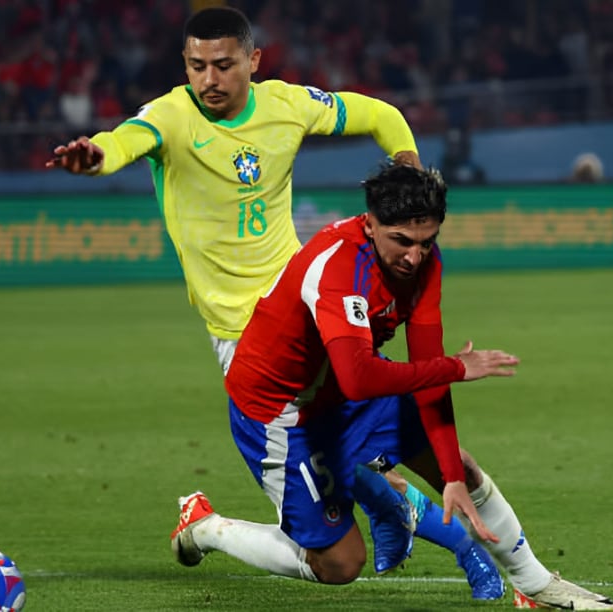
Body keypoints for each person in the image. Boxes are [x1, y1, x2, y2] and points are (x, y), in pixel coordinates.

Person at [46, 6, 503, 598]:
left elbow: (381, 115)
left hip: (305, 309)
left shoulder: (287, 104)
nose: (209, 78)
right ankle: (397, 520)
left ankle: (448, 539)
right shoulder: (170, 116)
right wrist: (96, 159)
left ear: (253, 61)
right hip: (244, 337)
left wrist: (408, 170)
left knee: (363, 431)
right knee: (336, 466)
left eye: (223, 64)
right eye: (196, 66)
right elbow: (124, 141)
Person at [172, 163, 613, 611]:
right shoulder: (338, 267)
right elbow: (361, 378)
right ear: (370, 224)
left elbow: (426, 372)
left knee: (463, 468)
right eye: (402, 241)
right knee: (340, 564)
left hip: (345, 388)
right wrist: (454, 368)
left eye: (426, 241)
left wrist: (449, 474)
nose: (414, 257)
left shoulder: (424, 264)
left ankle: (535, 586)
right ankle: (206, 528)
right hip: (282, 411)